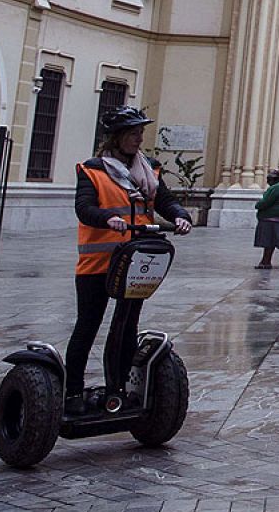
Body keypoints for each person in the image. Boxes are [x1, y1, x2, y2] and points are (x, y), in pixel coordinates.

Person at [70, 106, 193, 414]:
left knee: (126, 325)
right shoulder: (93, 170)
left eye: (141, 133)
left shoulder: (148, 170)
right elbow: (83, 208)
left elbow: (164, 200)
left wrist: (180, 216)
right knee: (88, 325)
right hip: (97, 265)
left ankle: (119, 388)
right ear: (117, 137)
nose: (139, 138)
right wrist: (106, 218)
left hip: (135, 263)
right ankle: (72, 392)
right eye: (133, 133)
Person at [253, 169, 279, 269]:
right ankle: (266, 261)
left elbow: (265, 202)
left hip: (271, 218)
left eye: (268, 179)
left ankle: (265, 261)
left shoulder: (275, 188)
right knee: (271, 242)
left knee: (268, 241)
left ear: (273, 179)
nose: (267, 182)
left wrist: (258, 205)